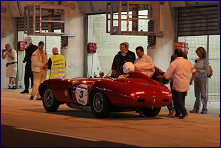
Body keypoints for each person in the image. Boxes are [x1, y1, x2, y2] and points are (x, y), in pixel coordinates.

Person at [164, 50, 196, 119]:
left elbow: (168, 74)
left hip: (178, 83)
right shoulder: (188, 62)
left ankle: (183, 112)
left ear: (175, 55)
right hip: (186, 83)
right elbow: (194, 71)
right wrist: (191, 80)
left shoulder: (174, 63)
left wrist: (165, 76)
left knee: (177, 98)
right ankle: (178, 113)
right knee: (182, 98)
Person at [168, 42, 188, 117]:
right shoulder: (172, 56)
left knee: (180, 96)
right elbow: (171, 66)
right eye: (175, 46)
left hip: (181, 78)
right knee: (175, 96)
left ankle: (182, 111)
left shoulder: (184, 55)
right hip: (175, 78)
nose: (177, 47)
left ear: (181, 47)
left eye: (178, 46)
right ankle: (178, 111)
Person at [190, 47, 209, 114]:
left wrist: (198, 70)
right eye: (197, 53)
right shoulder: (197, 60)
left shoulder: (205, 61)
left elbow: (206, 71)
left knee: (203, 93)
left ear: (202, 53)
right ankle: (196, 108)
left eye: (199, 53)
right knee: (197, 94)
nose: (198, 54)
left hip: (202, 78)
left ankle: (205, 108)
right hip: (196, 78)